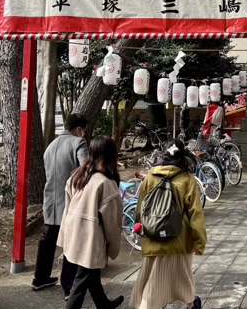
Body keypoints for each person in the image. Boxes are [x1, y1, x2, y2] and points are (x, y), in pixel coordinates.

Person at [131, 139, 207, 309]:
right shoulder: (187, 179)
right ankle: (191, 304)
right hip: (179, 240)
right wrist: (199, 243)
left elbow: (140, 209)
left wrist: (140, 229)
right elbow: (195, 214)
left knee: (152, 283)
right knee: (184, 278)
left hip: (153, 239)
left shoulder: (150, 177)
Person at [58, 136, 125, 309]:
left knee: (90, 274)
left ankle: (104, 304)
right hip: (91, 239)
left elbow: (66, 208)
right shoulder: (106, 183)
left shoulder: (78, 176)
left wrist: (64, 235)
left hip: (73, 233)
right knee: (80, 283)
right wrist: (112, 247)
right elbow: (112, 223)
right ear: (112, 156)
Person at [33, 113, 89, 295]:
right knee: (71, 241)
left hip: (50, 199)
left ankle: (40, 278)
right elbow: (85, 168)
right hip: (69, 200)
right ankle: (69, 287)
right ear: (78, 129)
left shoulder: (50, 146)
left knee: (48, 238)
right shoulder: (78, 143)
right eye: (84, 130)